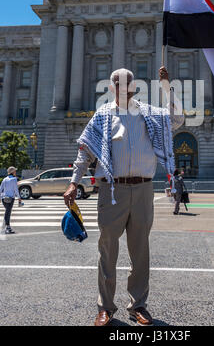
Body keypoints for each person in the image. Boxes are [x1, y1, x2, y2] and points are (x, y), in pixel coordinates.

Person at [64, 67, 184, 326]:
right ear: (111, 88)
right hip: (111, 190)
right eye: (119, 84)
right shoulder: (103, 115)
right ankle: (105, 307)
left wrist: (166, 87)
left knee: (140, 251)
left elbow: (177, 119)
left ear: (135, 88)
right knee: (107, 250)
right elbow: (85, 152)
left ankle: (138, 306)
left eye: (129, 84)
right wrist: (74, 182)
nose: (125, 89)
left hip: (143, 189)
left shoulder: (148, 113)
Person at [0, 166, 21, 234]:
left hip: (4, 198)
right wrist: (19, 198)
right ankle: (7, 227)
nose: (15, 172)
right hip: (10, 198)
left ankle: (7, 226)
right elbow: (16, 189)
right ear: (12, 172)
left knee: (7, 212)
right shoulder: (14, 179)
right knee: (8, 212)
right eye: (15, 171)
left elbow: (0, 189)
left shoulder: (4, 179)